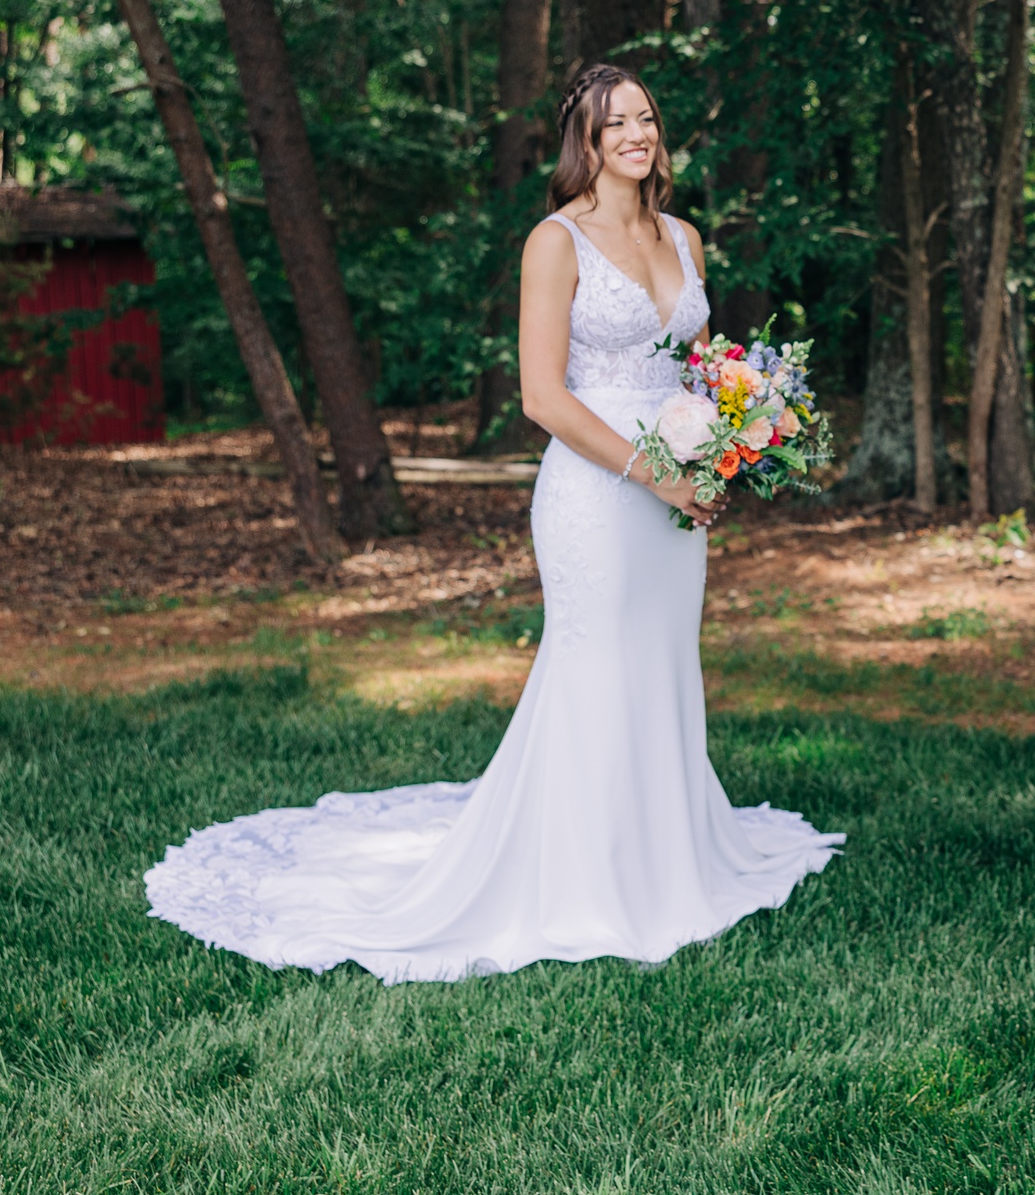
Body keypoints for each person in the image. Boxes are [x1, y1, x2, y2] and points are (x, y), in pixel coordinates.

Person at [144, 63, 841, 983]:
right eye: (614, 123)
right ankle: (583, 881)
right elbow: (543, 396)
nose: (636, 134)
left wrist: (725, 444)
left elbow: (693, 368)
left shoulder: (685, 235)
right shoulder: (554, 243)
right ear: (584, 142)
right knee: (593, 666)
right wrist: (654, 475)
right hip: (598, 491)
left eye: (646, 118)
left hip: (681, 482)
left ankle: (671, 856)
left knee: (664, 661)